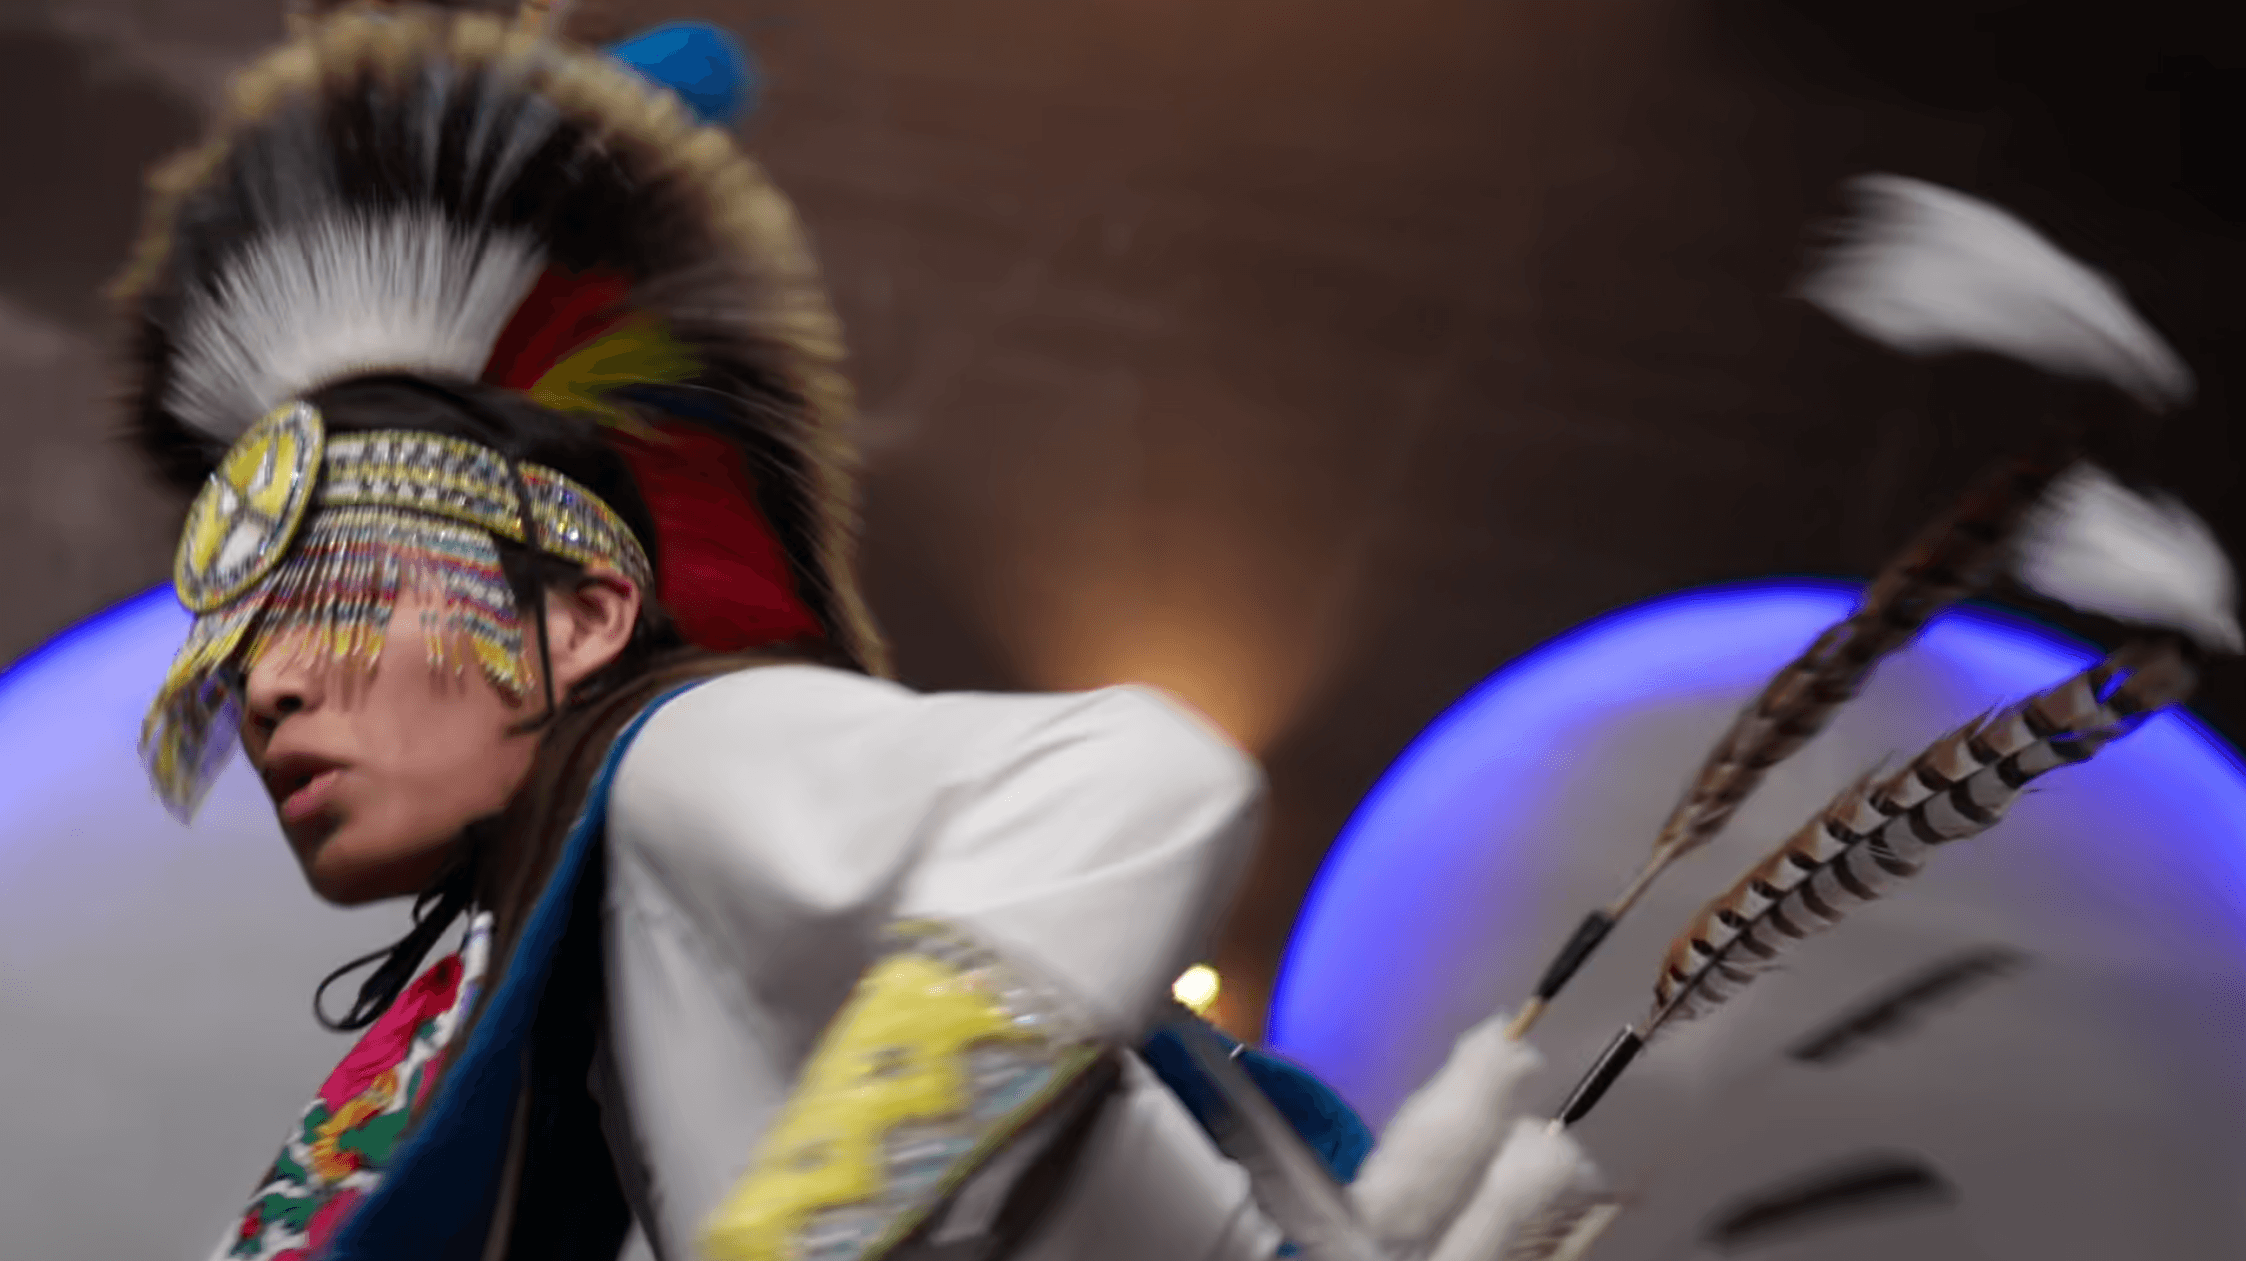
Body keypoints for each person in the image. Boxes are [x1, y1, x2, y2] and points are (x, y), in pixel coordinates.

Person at [122, 5, 1597, 1260]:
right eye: (242, 650)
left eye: (337, 606)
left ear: (583, 619)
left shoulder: (683, 758)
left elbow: (1137, 776)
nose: (270, 688)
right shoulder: (559, 937)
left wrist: (800, 1228)